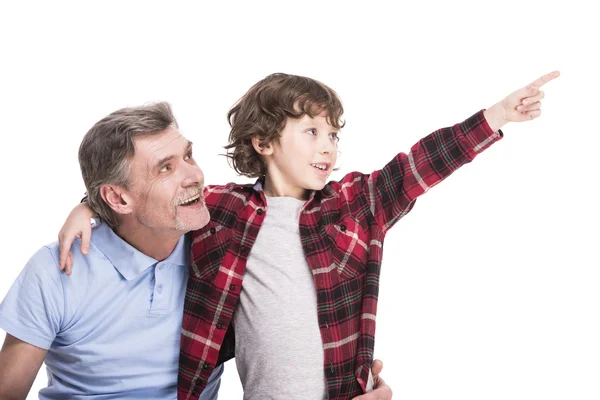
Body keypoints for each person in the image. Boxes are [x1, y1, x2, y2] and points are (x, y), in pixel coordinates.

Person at [57, 70, 560, 399]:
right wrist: (88, 208)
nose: (329, 148)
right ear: (263, 142)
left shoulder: (354, 205)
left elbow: (416, 167)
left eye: (334, 134)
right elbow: (155, 200)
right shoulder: (222, 210)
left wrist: (494, 118)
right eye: (312, 132)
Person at [0, 103, 223, 399]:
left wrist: (88, 205)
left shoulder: (225, 248)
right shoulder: (57, 268)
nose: (194, 175)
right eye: (165, 168)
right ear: (118, 198)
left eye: (188, 156)